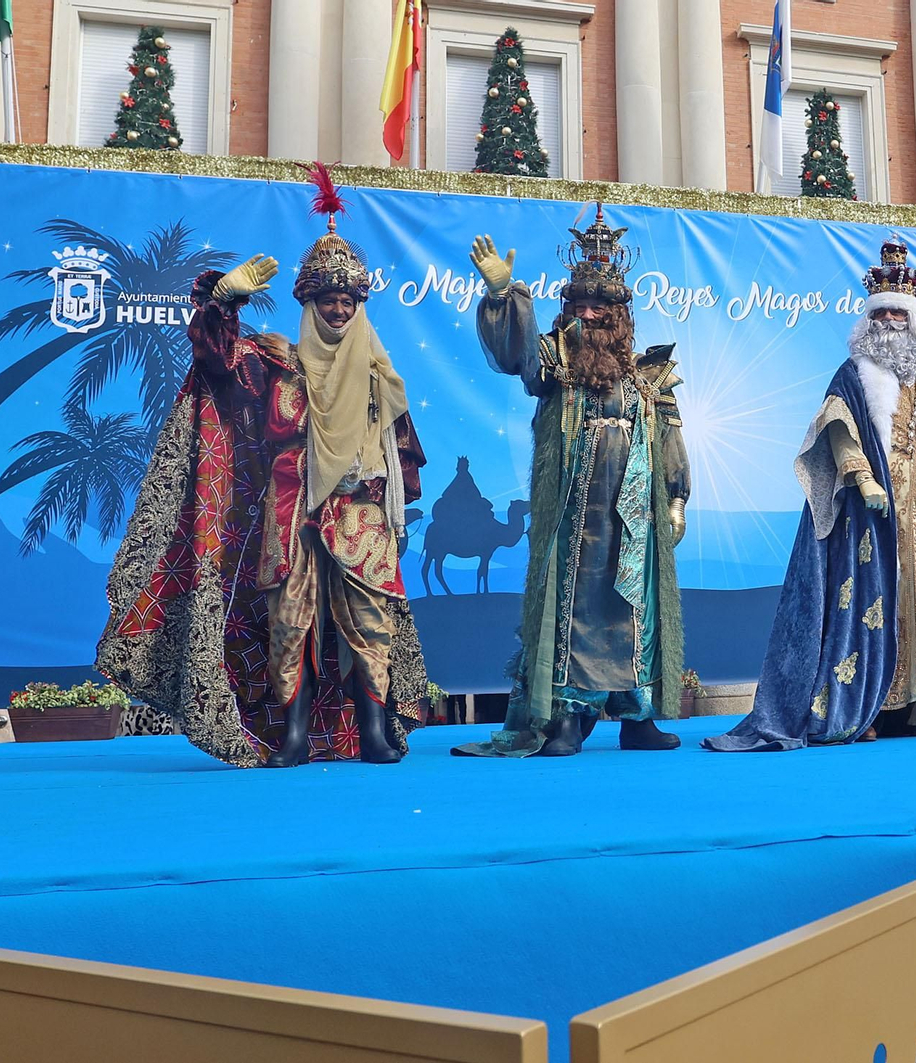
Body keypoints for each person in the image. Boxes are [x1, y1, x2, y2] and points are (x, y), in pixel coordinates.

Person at [97, 163, 429, 767]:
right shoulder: (274, 363)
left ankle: (374, 732)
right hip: (291, 511)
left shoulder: (384, 377)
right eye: (327, 300)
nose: (338, 310)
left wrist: (397, 504)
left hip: (362, 516)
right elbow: (216, 365)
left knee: (369, 619)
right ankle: (294, 734)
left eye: (348, 301)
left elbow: (403, 453)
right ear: (308, 303)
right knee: (290, 620)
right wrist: (224, 301)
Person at [703, 236, 916, 751]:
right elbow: (836, 426)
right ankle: (865, 707)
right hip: (876, 512)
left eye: (902, 316)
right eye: (885, 316)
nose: (893, 325)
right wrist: (863, 478)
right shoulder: (855, 376)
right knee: (876, 603)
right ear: (871, 320)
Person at [453, 206, 689, 757]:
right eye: (579, 305)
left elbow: (671, 441)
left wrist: (676, 499)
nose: (590, 314)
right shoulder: (553, 361)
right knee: (571, 608)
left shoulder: (650, 375)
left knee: (636, 608)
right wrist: (502, 296)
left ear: (622, 315)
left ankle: (637, 717)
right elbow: (514, 354)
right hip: (573, 517)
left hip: (635, 518)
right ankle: (563, 716)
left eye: (601, 307)